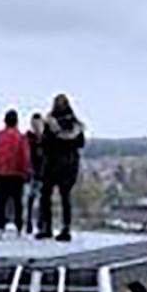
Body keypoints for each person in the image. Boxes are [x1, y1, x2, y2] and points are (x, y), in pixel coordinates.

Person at [38, 94, 86, 241]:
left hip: (52, 163)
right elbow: (80, 143)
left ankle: (47, 227)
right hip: (69, 164)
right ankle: (66, 228)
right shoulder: (75, 125)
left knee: (46, 195)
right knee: (65, 197)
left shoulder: (50, 122)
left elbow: (44, 144)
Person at [0, 109, 31, 235]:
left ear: (5, 121)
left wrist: (0, 160)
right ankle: (18, 226)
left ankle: (1, 226)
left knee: (1, 201)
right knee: (18, 201)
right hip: (17, 173)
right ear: (16, 122)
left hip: (1, 173)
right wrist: (26, 171)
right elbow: (25, 156)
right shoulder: (21, 137)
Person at [25, 112, 46, 235]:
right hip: (31, 171)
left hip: (42, 172)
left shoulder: (45, 138)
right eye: (34, 124)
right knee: (30, 198)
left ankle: (40, 223)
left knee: (41, 200)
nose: (36, 126)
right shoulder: (28, 138)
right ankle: (28, 222)